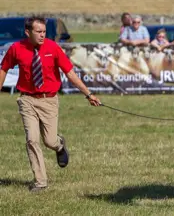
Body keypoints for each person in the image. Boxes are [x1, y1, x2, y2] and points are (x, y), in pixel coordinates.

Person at [0, 16, 102, 192]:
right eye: (38, 32)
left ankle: (59, 145)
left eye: (44, 32)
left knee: (49, 141)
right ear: (27, 32)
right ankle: (40, 182)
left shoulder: (53, 48)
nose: (42, 35)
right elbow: (3, 69)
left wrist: (89, 94)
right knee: (32, 139)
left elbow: (70, 74)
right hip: (27, 99)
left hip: (49, 100)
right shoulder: (16, 49)